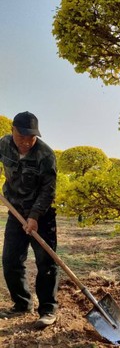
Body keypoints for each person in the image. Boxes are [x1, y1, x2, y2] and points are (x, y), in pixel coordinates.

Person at [0, 111, 59, 328]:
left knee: (46, 263)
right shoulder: (3, 144)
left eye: (31, 137)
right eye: (21, 136)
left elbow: (48, 190)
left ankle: (48, 310)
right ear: (12, 131)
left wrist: (34, 217)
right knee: (11, 261)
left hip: (42, 216)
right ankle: (22, 303)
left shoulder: (45, 155)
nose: (26, 142)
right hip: (15, 212)